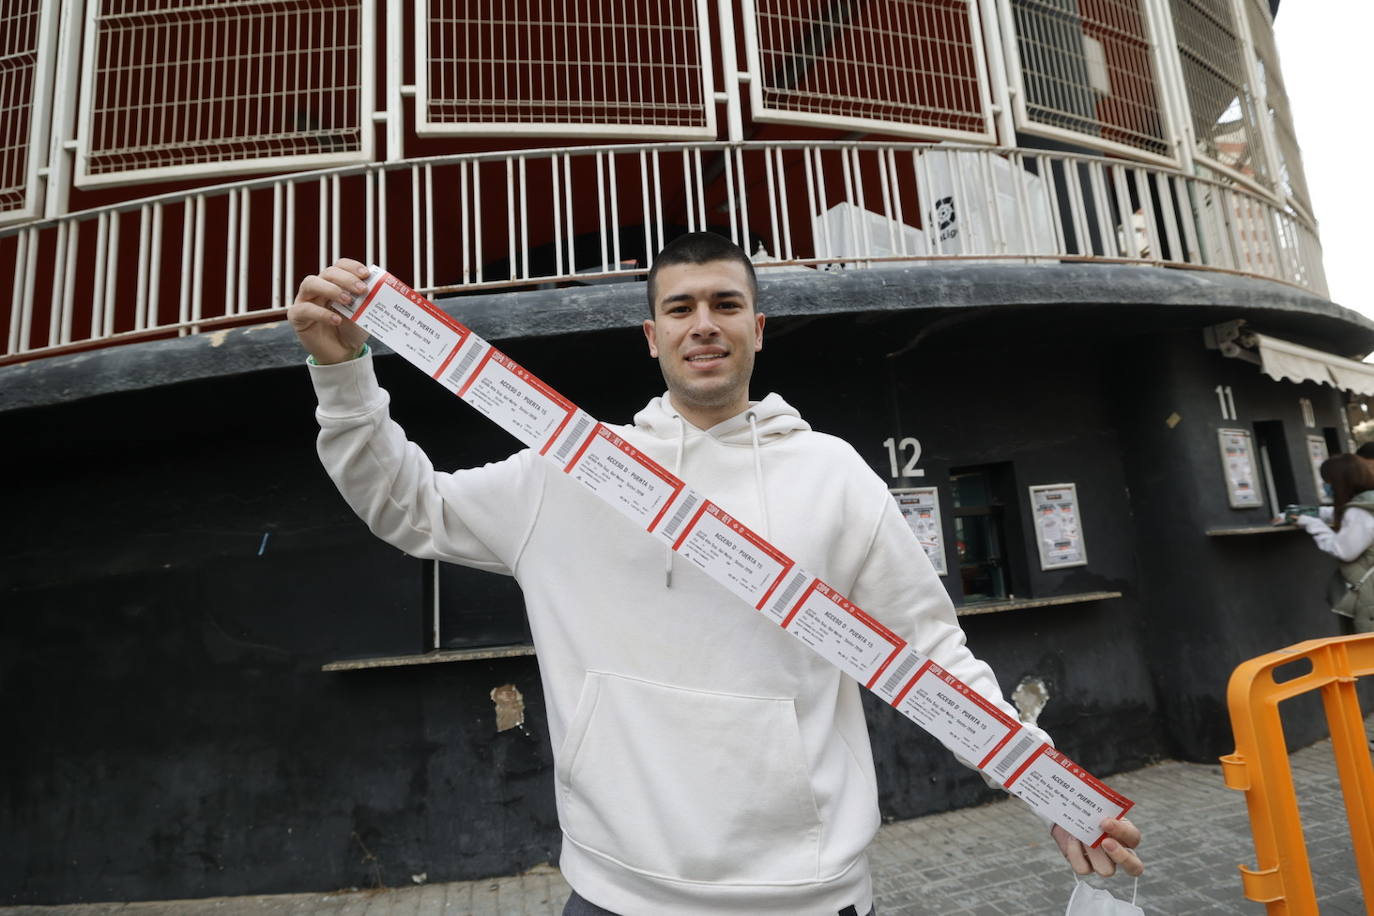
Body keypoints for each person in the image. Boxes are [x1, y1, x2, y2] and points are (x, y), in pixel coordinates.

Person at [289, 233, 1143, 915]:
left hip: (809, 897)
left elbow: (929, 651)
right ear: (651, 334)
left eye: (727, 304)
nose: (705, 323)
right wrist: (342, 373)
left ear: (758, 328)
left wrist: (1051, 790)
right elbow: (407, 506)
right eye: (682, 307)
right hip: (615, 891)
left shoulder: (834, 475)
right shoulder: (568, 472)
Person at [1292, 453, 1374, 633]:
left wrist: (1312, 524)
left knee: (1365, 653)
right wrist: (1303, 514)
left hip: (1369, 597)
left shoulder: (1360, 512)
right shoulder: (1368, 502)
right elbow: (1336, 513)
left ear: (1340, 481)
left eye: (1328, 481)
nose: (1326, 486)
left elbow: (1343, 550)